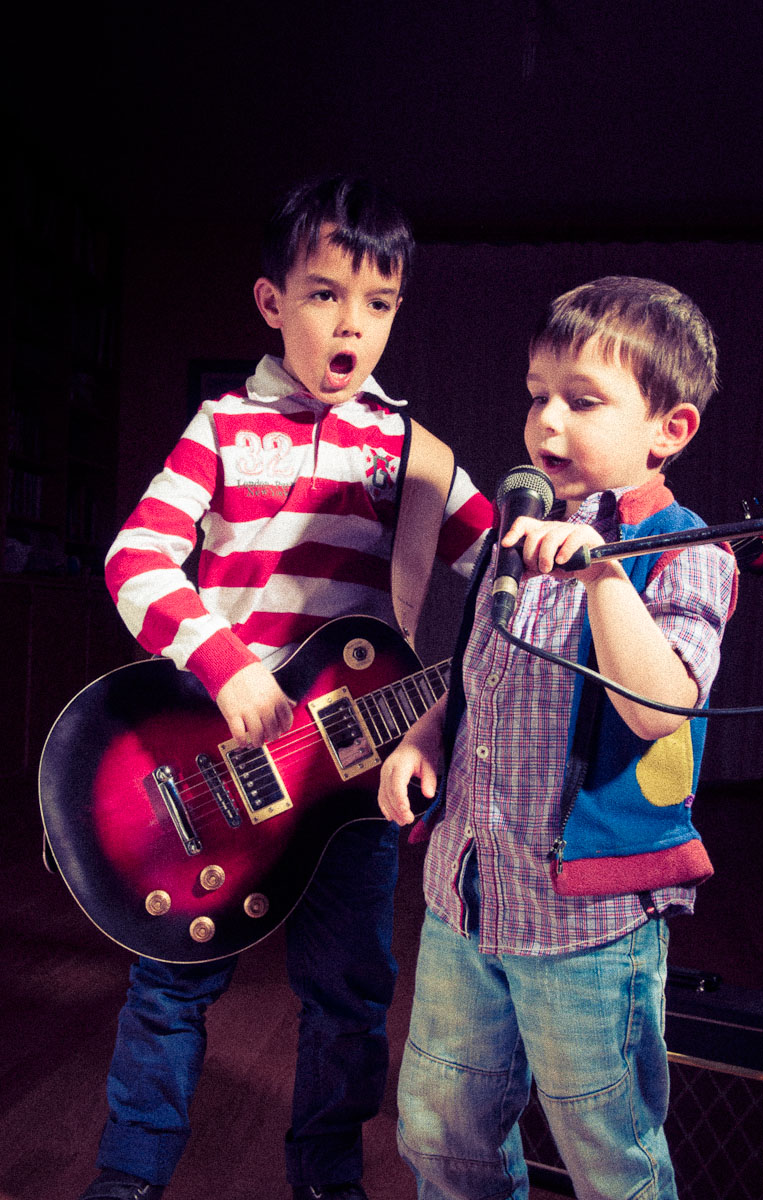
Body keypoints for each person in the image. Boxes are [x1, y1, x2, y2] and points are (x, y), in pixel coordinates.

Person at [78, 176, 493, 1200]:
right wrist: (224, 666)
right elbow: (135, 558)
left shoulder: (412, 454)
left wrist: (585, 559)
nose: (351, 324)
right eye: (324, 294)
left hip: (348, 782)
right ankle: (128, 1180)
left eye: (378, 303)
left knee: (348, 998)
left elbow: (499, 571)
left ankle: (325, 1180)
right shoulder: (220, 426)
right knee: (170, 993)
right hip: (218, 765)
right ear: (271, 301)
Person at [377, 276, 738, 1200]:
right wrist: (426, 734)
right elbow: (478, 666)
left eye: (582, 401)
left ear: (669, 429)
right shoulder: (519, 529)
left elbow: (659, 708)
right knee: (439, 1128)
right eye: (538, 394)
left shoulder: (689, 551)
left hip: (585, 926)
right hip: (467, 899)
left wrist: (603, 578)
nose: (546, 422)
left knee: (606, 1150)